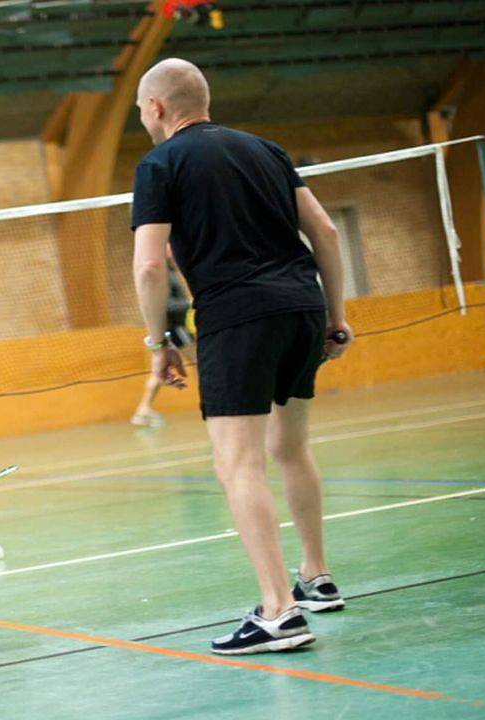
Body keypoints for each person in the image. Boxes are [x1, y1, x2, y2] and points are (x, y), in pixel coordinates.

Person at [130, 58, 352, 655]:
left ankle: (279, 611)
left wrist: (159, 343)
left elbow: (151, 265)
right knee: (290, 448)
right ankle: (316, 577)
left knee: (238, 463)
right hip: (301, 307)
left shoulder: (159, 165)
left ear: (156, 107)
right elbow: (326, 234)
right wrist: (335, 316)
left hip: (236, 317)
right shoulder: (268, 151)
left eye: (139, 108)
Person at [130, 263, 194, 428]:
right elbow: (166, 304)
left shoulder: (170, 270)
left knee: (161, 370)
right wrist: (190, 303)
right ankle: (213, 400)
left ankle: (143, 408)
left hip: (170, 328)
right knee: (199, 361)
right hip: (174, 328)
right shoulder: (160, 271)